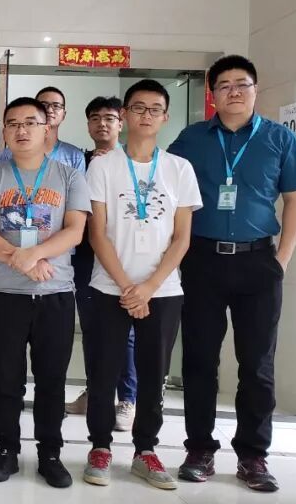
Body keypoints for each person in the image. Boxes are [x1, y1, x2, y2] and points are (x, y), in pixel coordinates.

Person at [169, 55, 296, 493]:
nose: (233, 91)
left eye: (242, 83)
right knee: (199, 360)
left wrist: (281, 259)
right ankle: (199, 448)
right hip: (202, 260)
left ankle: (253, 455)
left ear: (255, 88)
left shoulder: (279, 138)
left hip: (258, 262)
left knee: (257, 363)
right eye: (225, 85)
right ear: (212, 93)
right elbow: (166, 190)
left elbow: (295, 199)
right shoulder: (191, 139)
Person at [82, 80, 201, 490]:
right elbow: (97, 233)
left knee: (154, 375)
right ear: (125, 114)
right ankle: (99, 446)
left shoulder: (179, 169)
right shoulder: (102, 166)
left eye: (154, 109)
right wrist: (127, 286)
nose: (146, 115)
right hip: (108, 287)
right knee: (103, 371)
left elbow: (182, 238)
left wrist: (148, 287)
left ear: (165, 117)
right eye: (138, 107)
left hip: (163, 291)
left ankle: (145, 450)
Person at [0, 96, 90, 488]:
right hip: (5, 293)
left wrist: (34, 254)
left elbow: (75, 230)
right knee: (6, 378)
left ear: (46, 127)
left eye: (30, 122)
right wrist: (20, 261)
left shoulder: (69, 176)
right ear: (4, 131)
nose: (21, 130)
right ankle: (6, 450)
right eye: (13, 123)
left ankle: (50, 454)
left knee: (52, 379)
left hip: (56, 291)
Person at [67, 96, 137, 428]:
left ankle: (128, 398)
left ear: (121, 123)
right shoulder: (79, 163)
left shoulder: (133, 162)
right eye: (95, 118)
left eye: (109, 118)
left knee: (125, 331)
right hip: (85, 255)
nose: (102, 124)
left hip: (122, 254)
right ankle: (96, 392)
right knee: (92, 328)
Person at [0, 87, 86, 173]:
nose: (49, 110)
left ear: (64, 115)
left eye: (56, 106)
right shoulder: (9, 154)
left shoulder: (75, 157)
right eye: (43, 105)